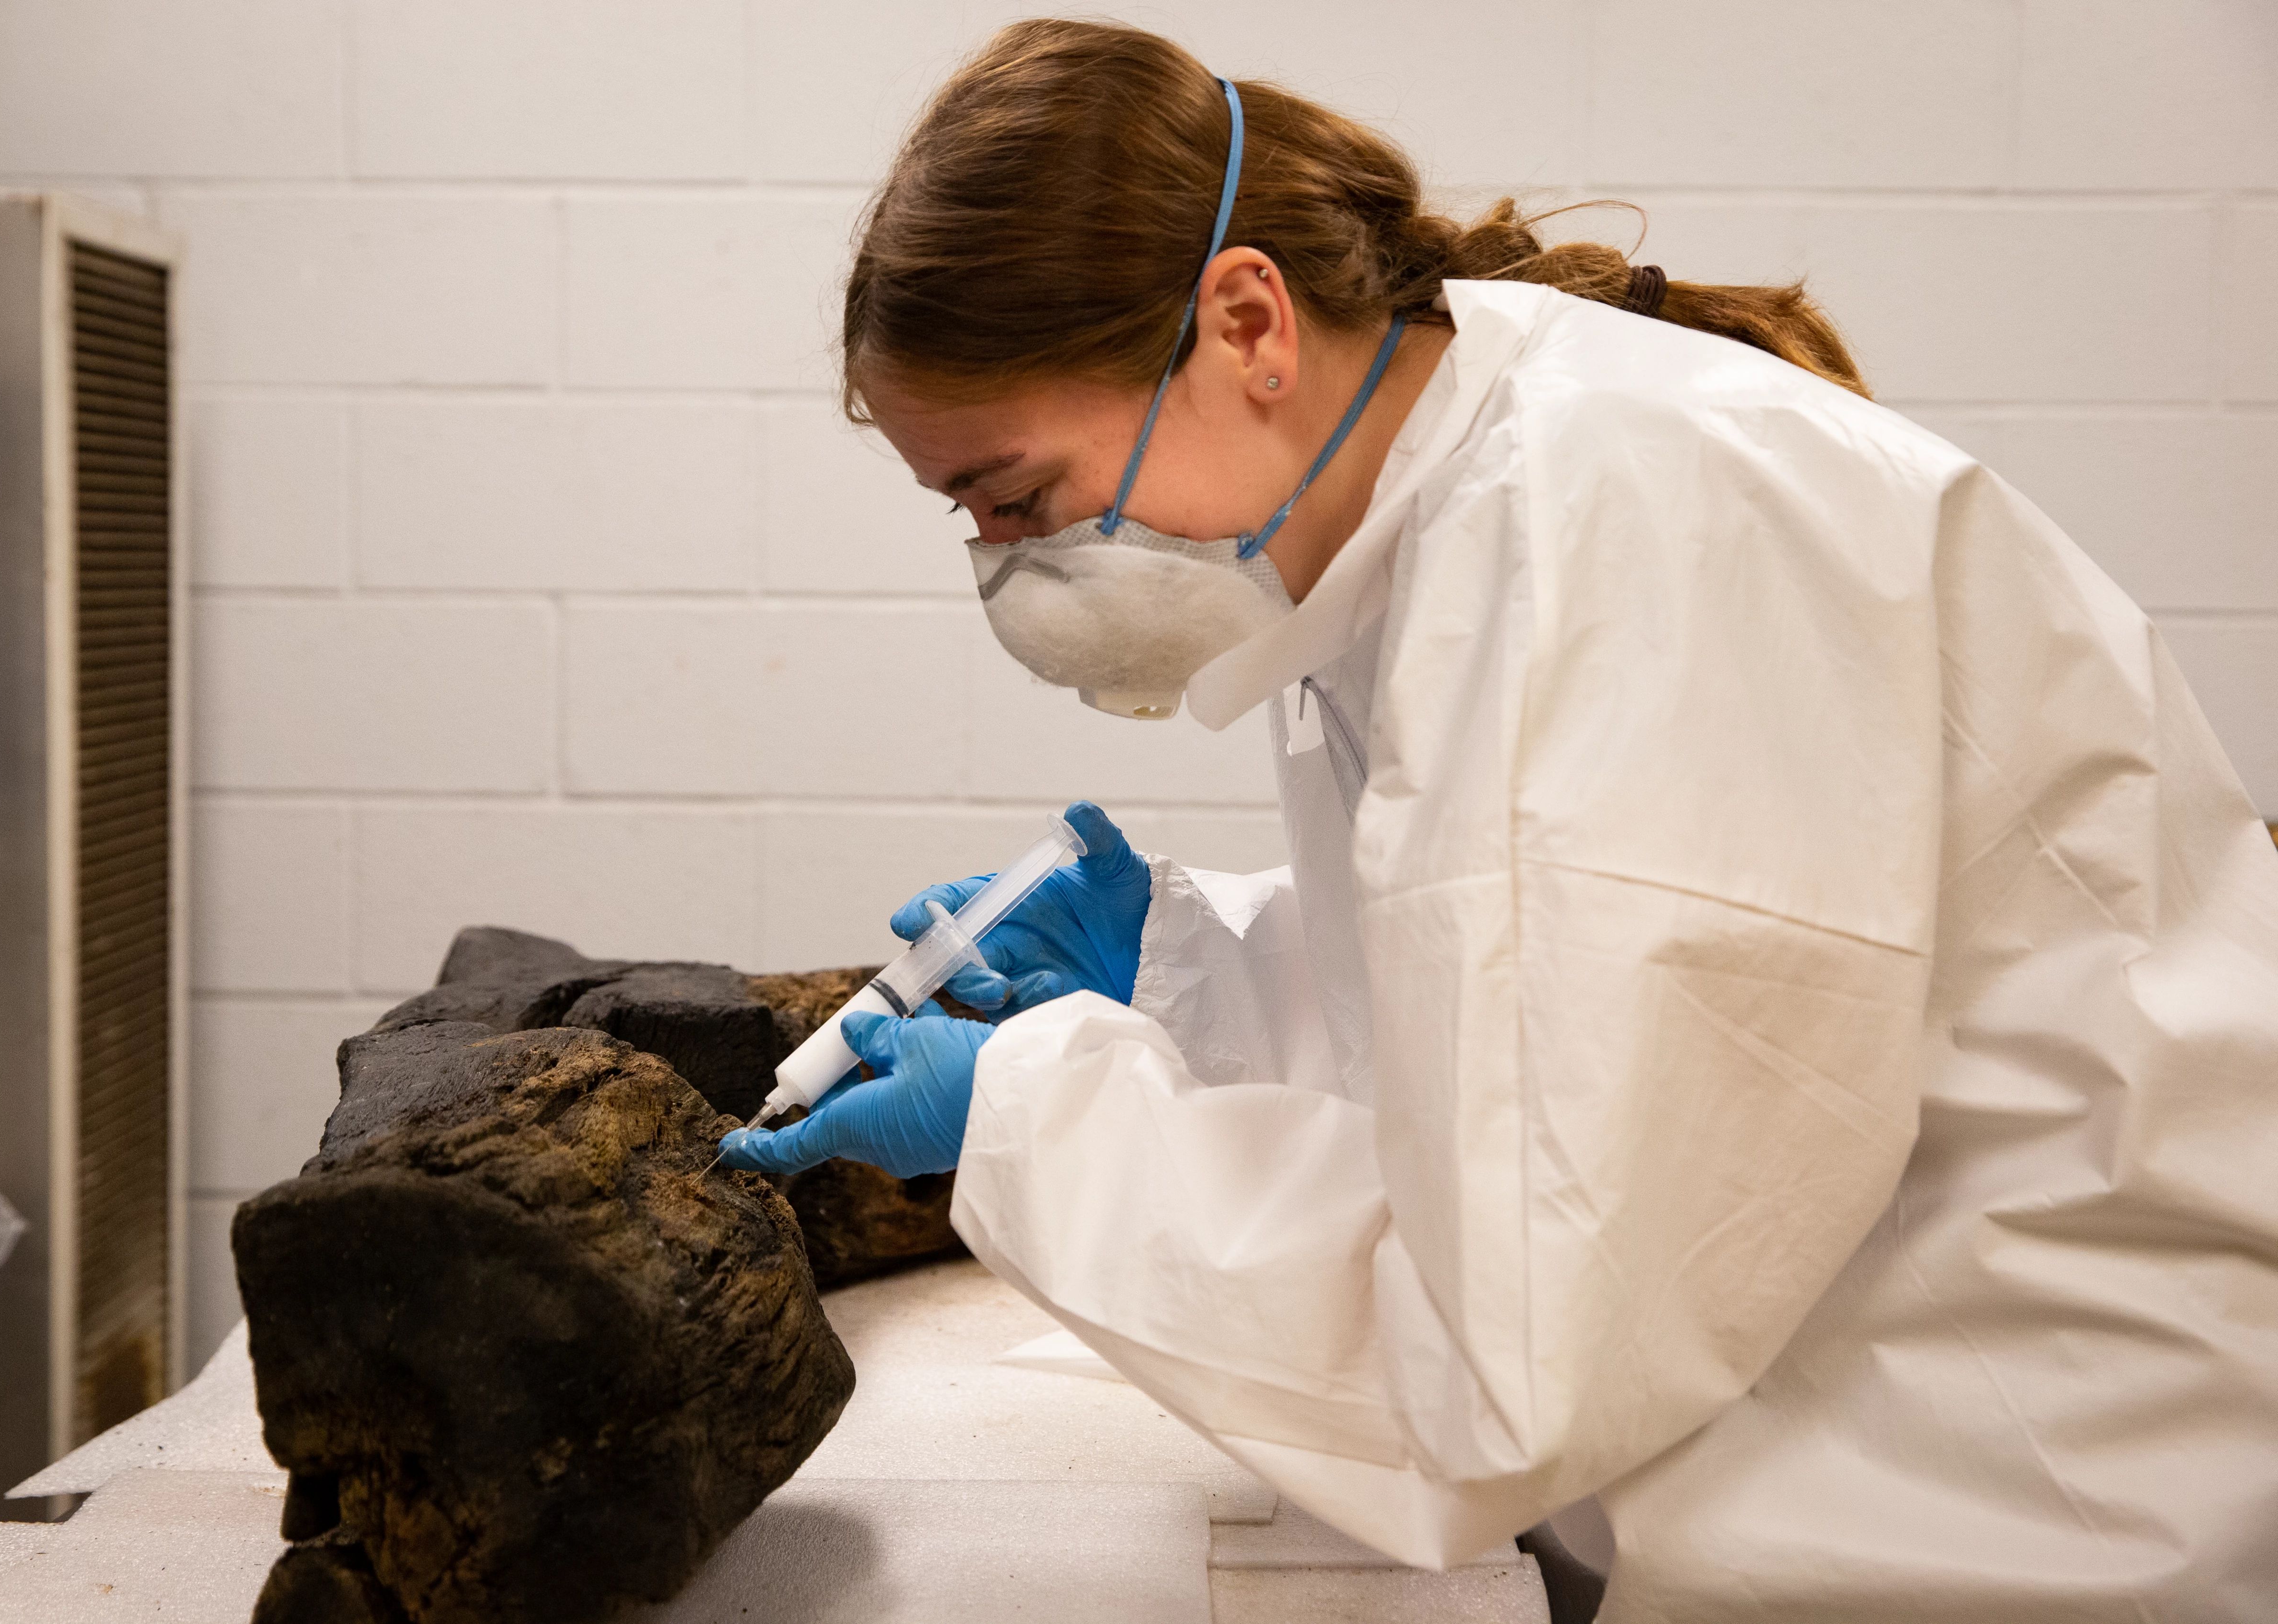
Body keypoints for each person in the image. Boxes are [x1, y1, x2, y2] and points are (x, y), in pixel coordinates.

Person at [720, 20, 2278, 1621]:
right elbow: (1556, 1029)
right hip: (1850, 1460)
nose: (1006, 566)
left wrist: (1030, 1117)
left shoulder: (1613, 533)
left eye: (1020, 496)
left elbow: (1520, 1348)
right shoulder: (1444, 524)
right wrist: (1190, 968)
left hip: (2026, 1512)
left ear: (1247, 320)